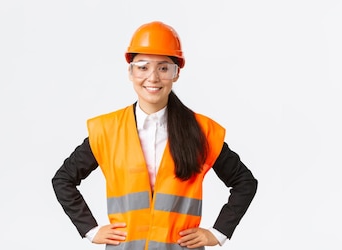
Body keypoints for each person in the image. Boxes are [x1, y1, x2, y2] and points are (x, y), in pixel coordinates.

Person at [52, 21, 258, 249]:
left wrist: (218, 233)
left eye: (163, 68)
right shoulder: (107, 130)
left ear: (176, 73)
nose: (152, 78)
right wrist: (90, 230)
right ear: (130, 71)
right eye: (142, 67)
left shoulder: (201, 131)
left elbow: (244, 182)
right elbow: (63, 179)